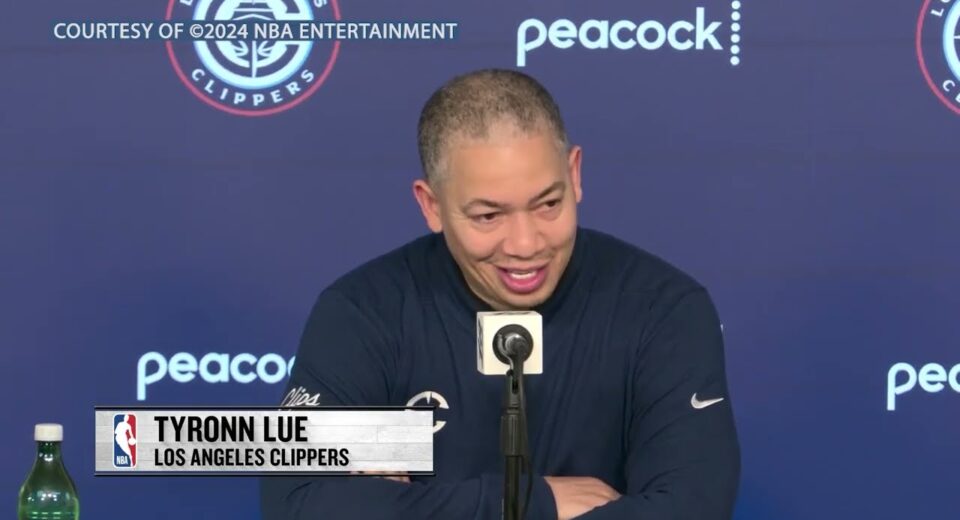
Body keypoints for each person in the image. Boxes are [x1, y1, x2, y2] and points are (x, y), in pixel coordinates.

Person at [260, 68, 740, 519]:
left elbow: (690, 507)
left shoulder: (660, 310)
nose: (526, 245)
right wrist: (530, 502)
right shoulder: (369, 314)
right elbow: (299, 501)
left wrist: (412, 506)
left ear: (575, 174)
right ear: (432, 206)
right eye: (488, 216)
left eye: (548, 203)